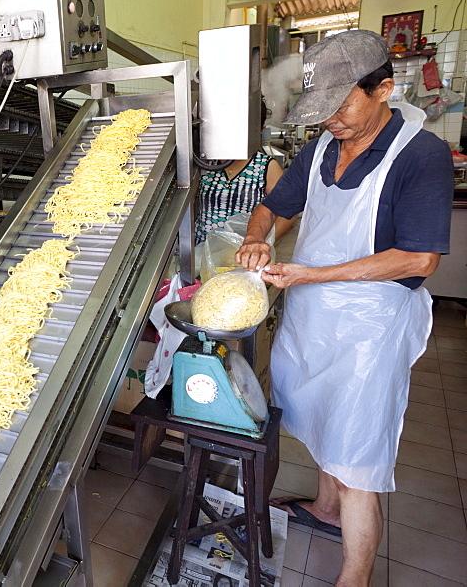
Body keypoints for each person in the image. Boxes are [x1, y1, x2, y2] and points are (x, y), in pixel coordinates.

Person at [236, 30, 453, 587]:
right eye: (319, 109)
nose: (329, 118)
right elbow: (274, 205)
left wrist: (312, 274)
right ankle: (324, 509)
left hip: (370, 326)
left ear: (384, 88)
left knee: (357, 450)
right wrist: (259, 236)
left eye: (341, 104)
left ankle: (353, 577)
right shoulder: (322, 148)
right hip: (313, 316)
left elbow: (420, 259)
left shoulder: (420, 155)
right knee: (316, 416)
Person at [194, 101, 294, 247]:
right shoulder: (205, 163)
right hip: (202, 252)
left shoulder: (265, 167)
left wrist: (259, 244)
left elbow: (287, 214)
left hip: (242, 257)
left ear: (259, 130)